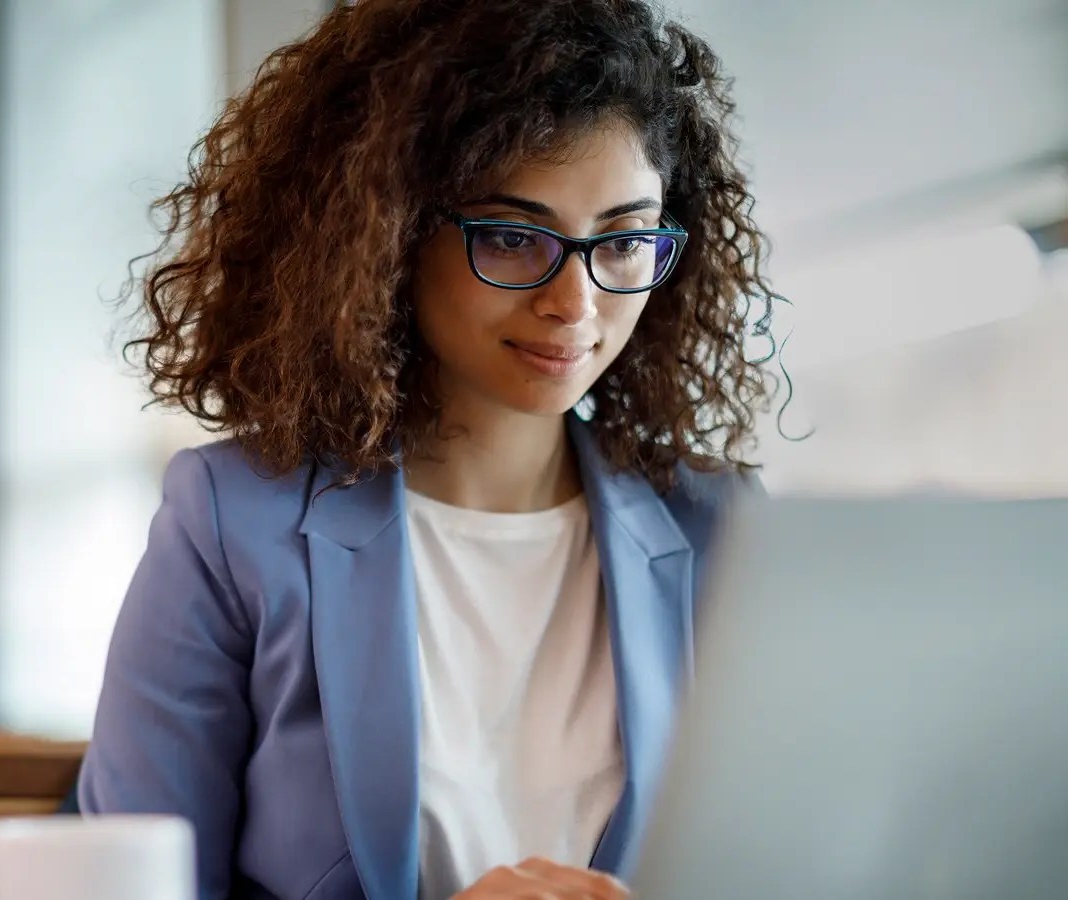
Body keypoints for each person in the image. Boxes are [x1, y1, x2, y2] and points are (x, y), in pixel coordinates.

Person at [79, 1, 782, 897]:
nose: (578, 302)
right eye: (513, 237)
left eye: (625, 239)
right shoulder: (230, 523)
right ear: (387, 232)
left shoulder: (721, 525)